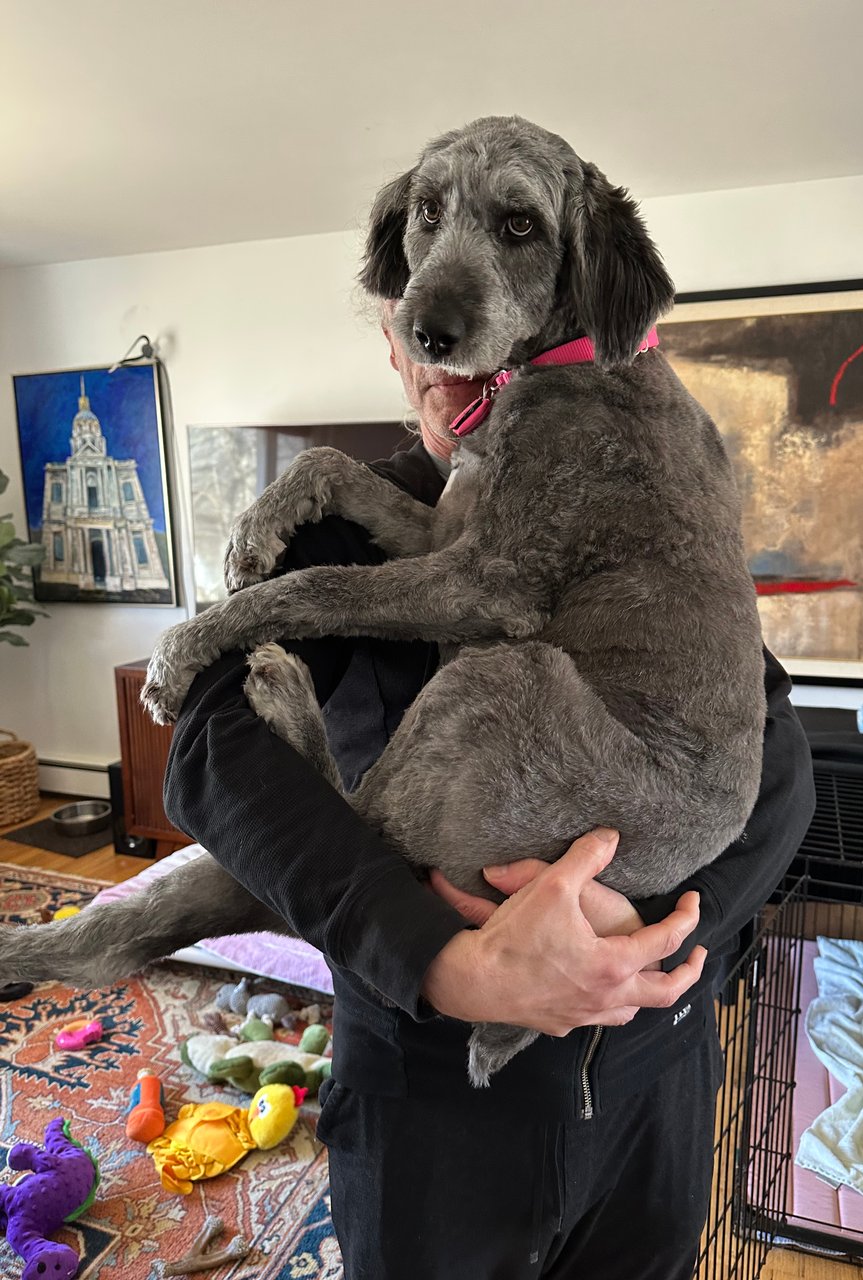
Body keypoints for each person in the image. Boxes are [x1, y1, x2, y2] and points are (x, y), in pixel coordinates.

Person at [163, 310, 816, 1280]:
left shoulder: (639, 505)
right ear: (391, 343)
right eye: (416, 314)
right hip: (430, 1095)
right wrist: (442, 959)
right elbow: (210, 746)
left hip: (656, 1077)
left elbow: (783, 762)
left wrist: (659, 921)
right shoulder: (345, 519)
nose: (450, 339)